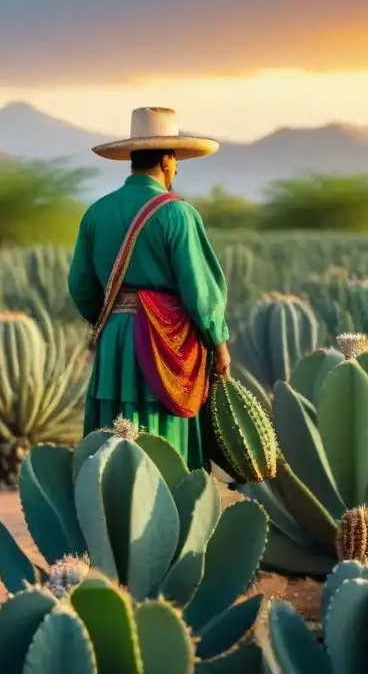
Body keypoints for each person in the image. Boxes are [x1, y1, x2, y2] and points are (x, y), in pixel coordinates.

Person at [67, 106, 230, 469]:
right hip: (167, 341)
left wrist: (110, 324)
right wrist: (218, 343)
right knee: (165, 443)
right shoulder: (177, 213)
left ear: (133, 159)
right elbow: (200, 293)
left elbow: (80, 286)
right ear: (169, 160)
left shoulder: (97, 211)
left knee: (112, 440)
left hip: (115, 338)